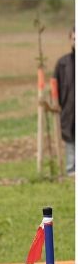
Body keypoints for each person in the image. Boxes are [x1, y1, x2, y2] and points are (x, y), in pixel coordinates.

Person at [53, 26, 75, 176]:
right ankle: (71, 171)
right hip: (69, 109)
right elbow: (56, 86)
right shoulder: (63, 63)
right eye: (74, 39)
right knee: (71, 140)